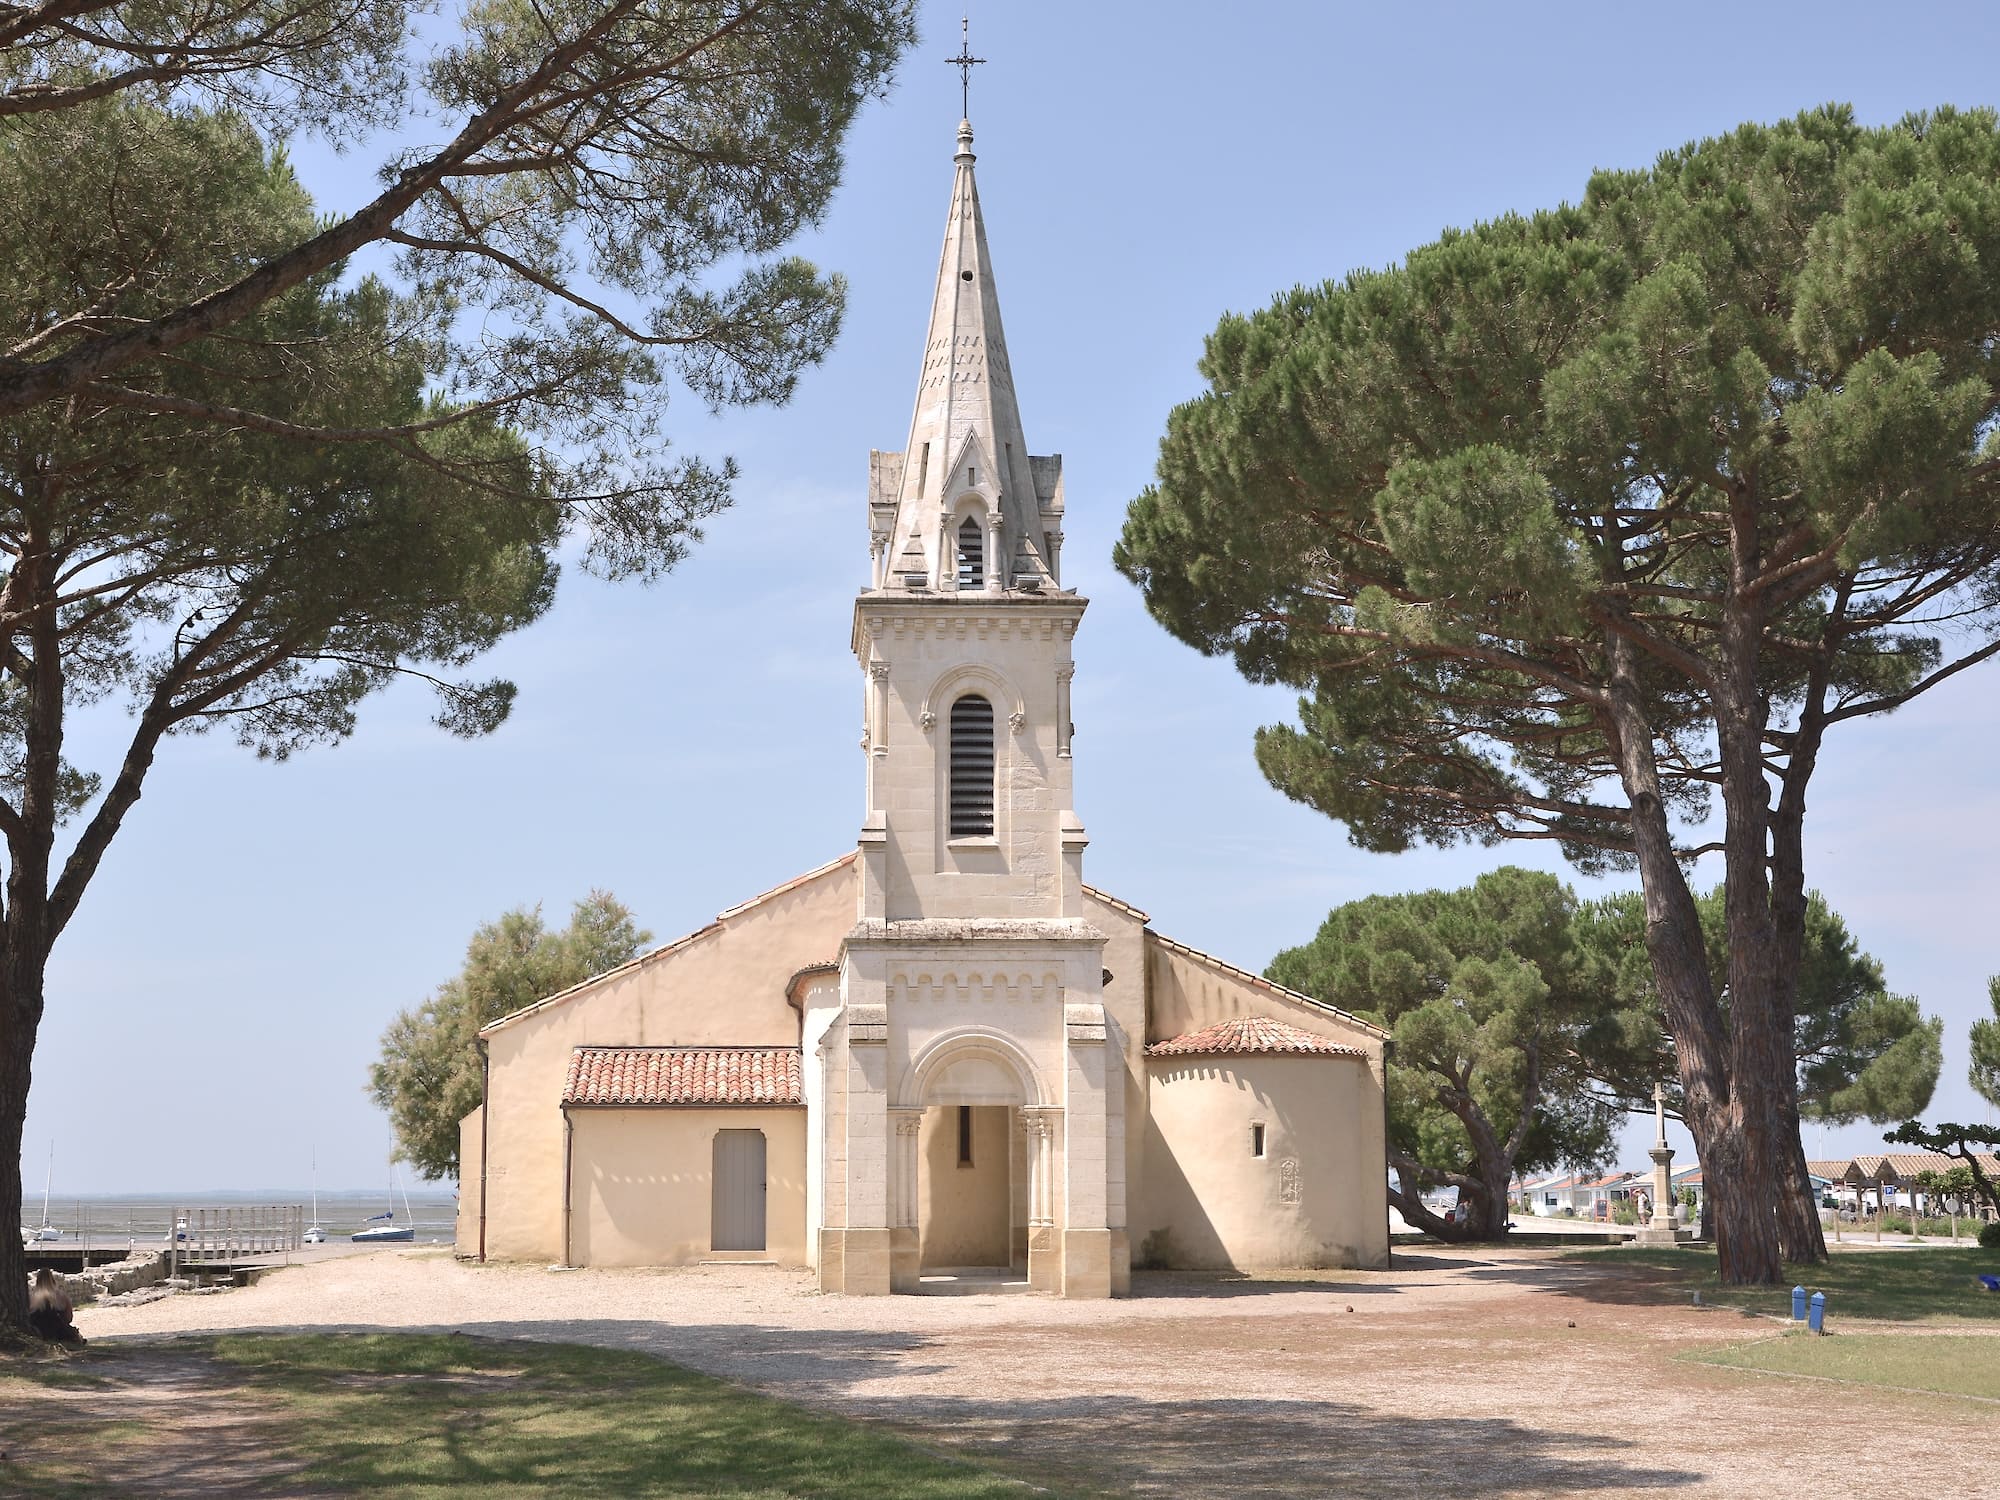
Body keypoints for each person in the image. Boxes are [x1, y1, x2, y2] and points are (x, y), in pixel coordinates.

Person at [28, 1267, 84, 1345]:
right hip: (60, 1333)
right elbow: (69, 1318)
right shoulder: (62, 1296)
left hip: (39, 1333)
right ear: (52, 1279)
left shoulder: (31, 1297)